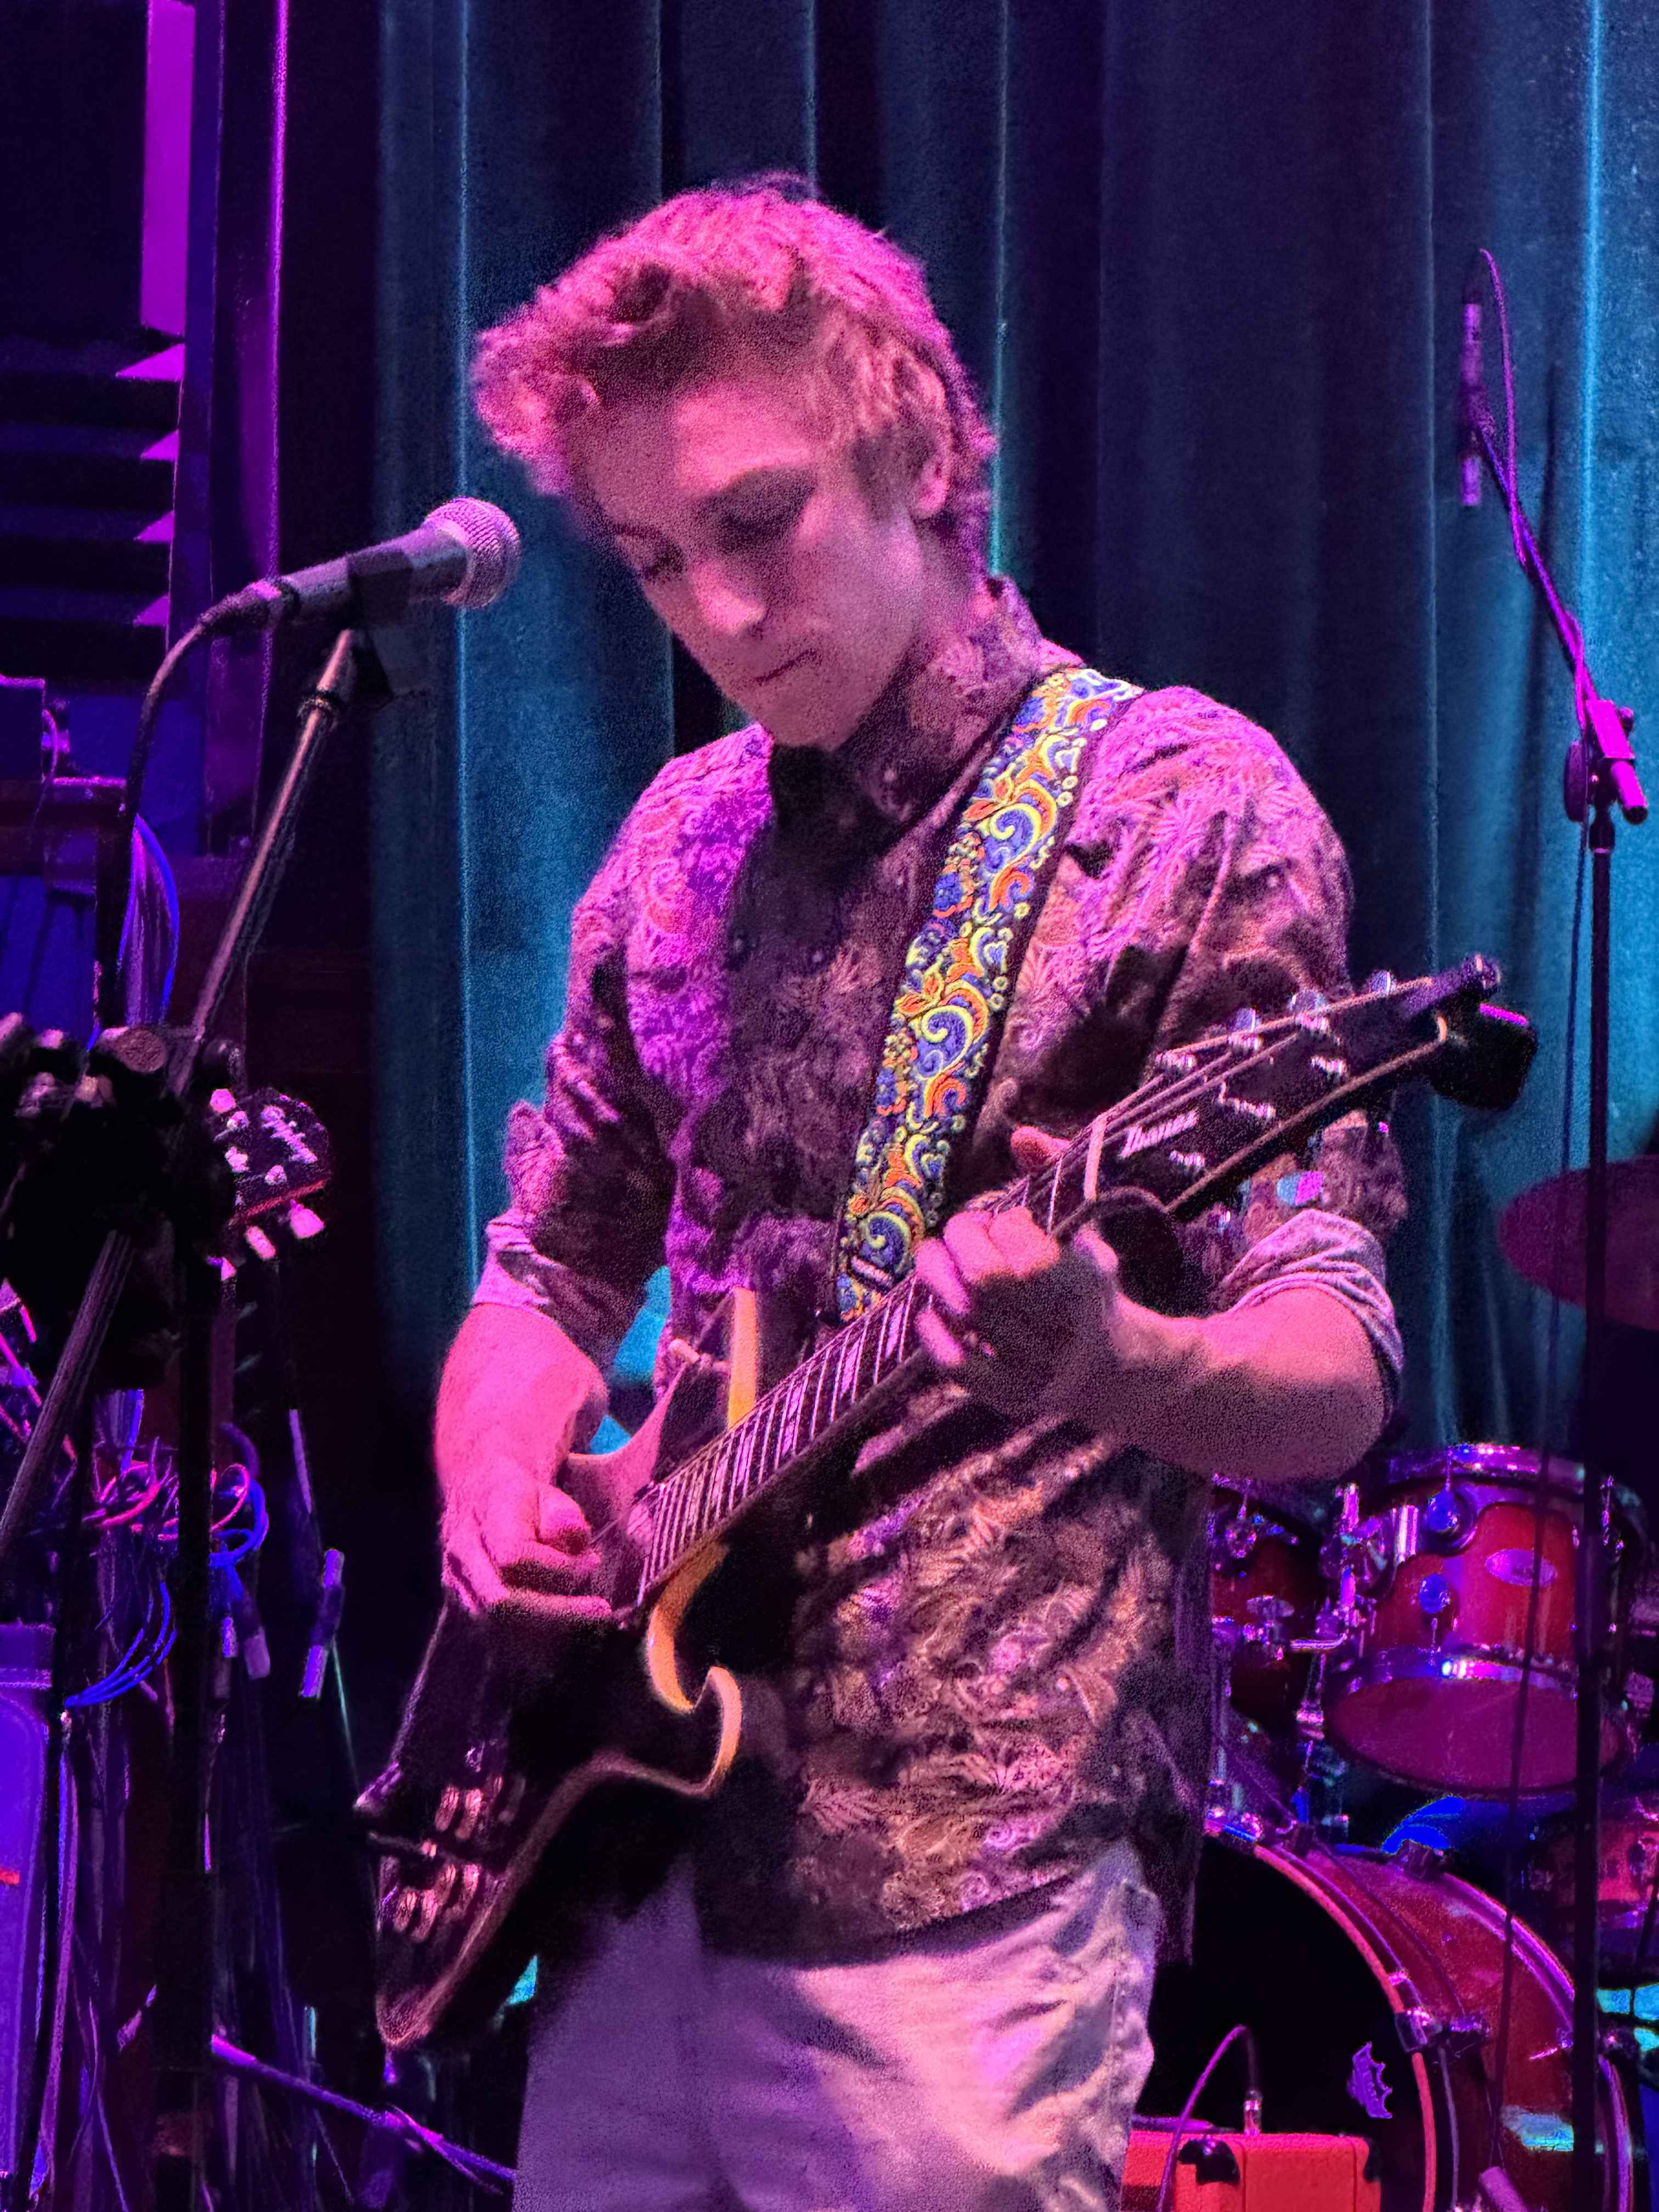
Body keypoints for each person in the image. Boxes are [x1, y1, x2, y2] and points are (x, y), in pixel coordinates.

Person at [437, 176, 1406, 2212]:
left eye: (757, 522)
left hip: (968, 1890)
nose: (712, 608)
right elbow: (544, 1275)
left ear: (929, 456)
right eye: (651, 560)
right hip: (629, 1862)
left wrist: (1116, 1356)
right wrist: (493, 1486)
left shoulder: (1174, 810)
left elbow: (1335, 1375)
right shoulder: (678, 840)